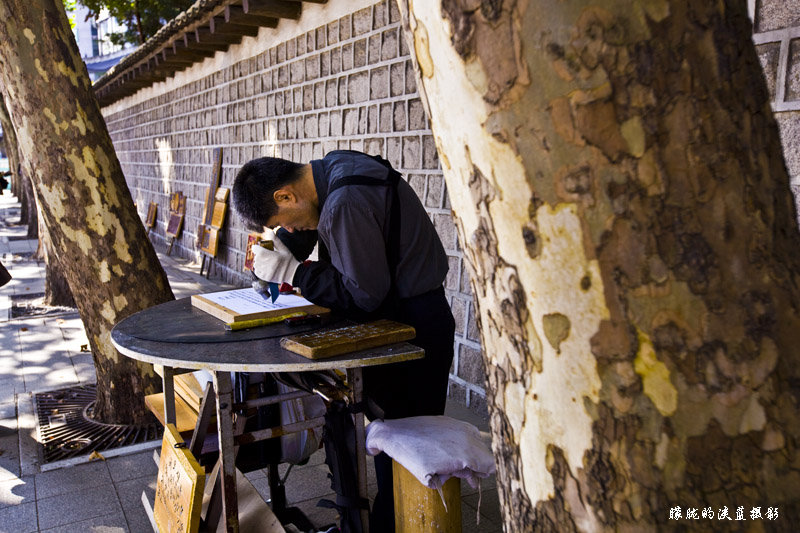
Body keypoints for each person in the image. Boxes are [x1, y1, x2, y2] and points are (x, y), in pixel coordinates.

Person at [232, 150, 455, 531]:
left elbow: (364, 294)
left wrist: (295, 271)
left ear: (285, 195)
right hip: (413, 315)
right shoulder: (336, 168)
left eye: (284, 220)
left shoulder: (344, 203)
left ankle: (398, 524)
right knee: (392, 440)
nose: (295, 228)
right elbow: (318, 223)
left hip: (412, 330)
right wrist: (286, 244)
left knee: (402, 448)